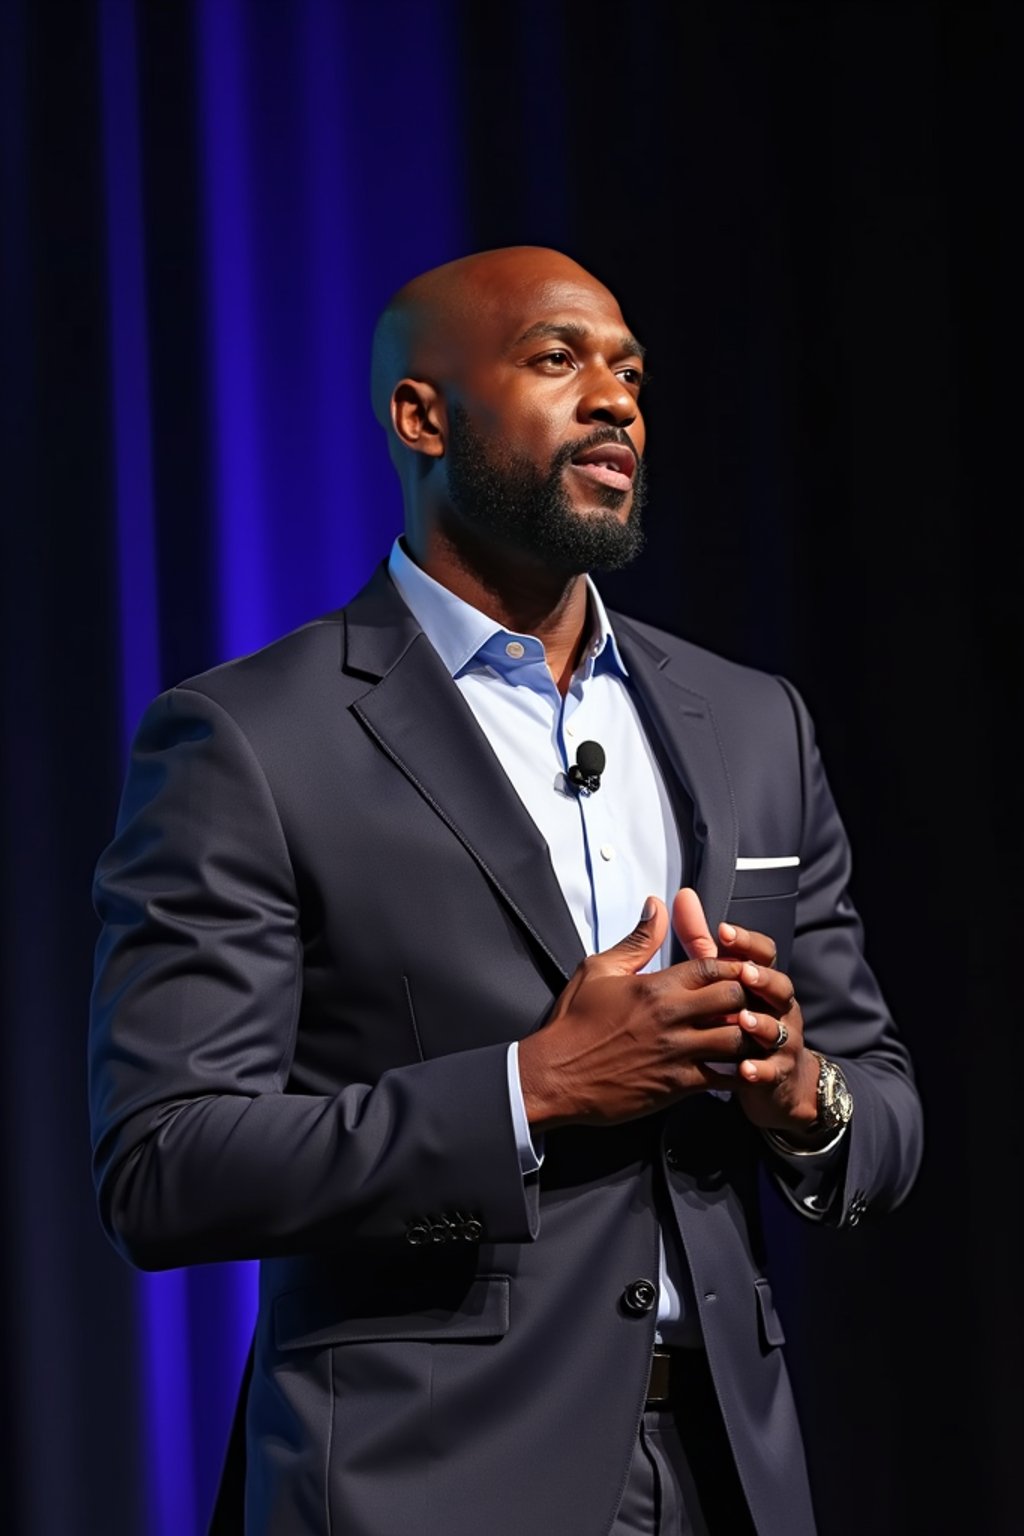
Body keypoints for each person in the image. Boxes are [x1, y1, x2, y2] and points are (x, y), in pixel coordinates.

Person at [88, 245, 924, 1535]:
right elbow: (166, 1163)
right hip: (423, 1482)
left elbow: (885, 1106)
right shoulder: (247, 739)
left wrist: (798, 1093)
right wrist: (530, 1091)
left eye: (631, 371)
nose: (617, 399)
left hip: (730, 1477)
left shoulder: (757, 723)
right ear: (423, 417)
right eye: (557, 359)